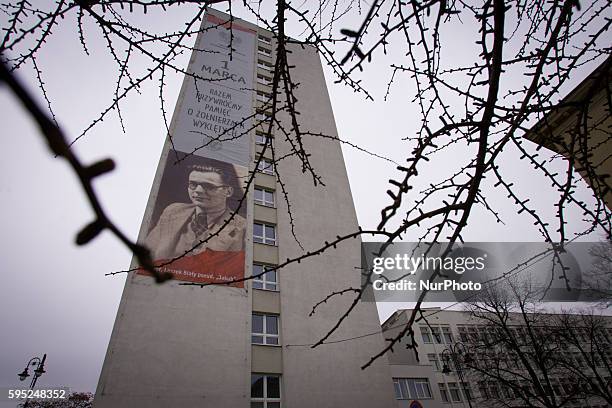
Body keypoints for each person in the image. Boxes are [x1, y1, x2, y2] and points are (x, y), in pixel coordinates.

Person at [145, 164, 246, 260]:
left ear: (228, 192)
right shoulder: (173, 211)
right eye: (193, 184)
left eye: (209, 186)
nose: (198, 190)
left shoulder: (242, 226)